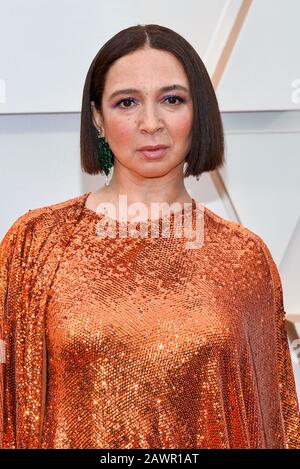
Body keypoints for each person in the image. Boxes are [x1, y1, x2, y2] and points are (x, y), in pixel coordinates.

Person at [0, 24, 299, 450]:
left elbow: (274, 425)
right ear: (98, 119)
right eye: (127, 102)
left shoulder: (244, 257)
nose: (151, 123)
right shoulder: (35, 244)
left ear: (199, 114)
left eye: (172, 99)